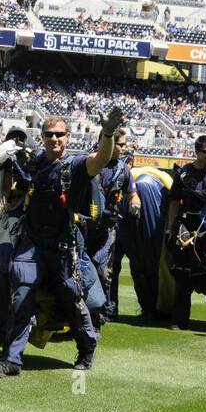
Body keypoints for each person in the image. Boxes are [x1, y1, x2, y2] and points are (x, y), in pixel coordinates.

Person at [0, 108, 123, 378]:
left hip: (64, 246)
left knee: (72, 299)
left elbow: (101, 158)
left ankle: (86, 346)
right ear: (43, 137)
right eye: (49, 134)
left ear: (67, 137)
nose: (54, 139)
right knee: (21, 295)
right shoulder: (33, 163)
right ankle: (11, 360)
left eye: (59, 134)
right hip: (32, 242)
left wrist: (107, 134)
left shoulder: (77, 166)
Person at [164, 135, 206, 330]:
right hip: (186, 226)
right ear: (197, 152)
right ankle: (179, 320)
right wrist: (169, 228)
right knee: (182, 276)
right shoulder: (184, 173)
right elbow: (174, 201)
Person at [85, 128, 140, 325]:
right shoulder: (88, 161)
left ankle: (100, 311)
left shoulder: (122, 169)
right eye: (121, 144)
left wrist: (135, 206)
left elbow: (132, 194)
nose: (125, 148)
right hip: (81, 226)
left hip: (106, 229)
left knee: (102, 271)